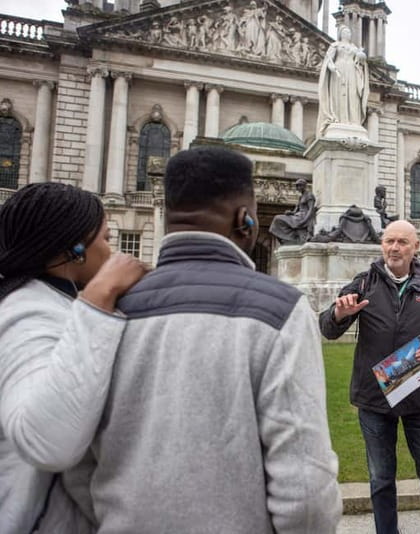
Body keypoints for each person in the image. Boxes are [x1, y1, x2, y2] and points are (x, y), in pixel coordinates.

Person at [66, 147, 341, 532]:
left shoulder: (103, 309)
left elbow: (73, 457)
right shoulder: (283, 309)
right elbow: (306, 489)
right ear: (245, 219)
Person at [0, 182, 147, 533]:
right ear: (76, 248)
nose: (113, 252)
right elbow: (47, 443)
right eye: (108, 239)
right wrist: (99, 296)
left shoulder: (39, 300)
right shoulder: (28, 312)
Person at [319, 219, 420, 534]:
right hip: (373, 399)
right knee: (381, 480)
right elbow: (328, 329)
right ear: (382, 245)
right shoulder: (362, 284)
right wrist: (338, 314)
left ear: (416, 248)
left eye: (401, 242)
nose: (394, 248)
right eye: (389, 241)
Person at [317, 25, 369, 137]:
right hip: (338, 71)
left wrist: (361, 56)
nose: (347, 34)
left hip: (352, 72)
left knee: (352, 96)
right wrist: (331, 67)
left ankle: (353, 120)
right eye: (345, 32)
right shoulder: (335, 45)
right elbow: (328, 60)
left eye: (349, 32)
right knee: (338, 95)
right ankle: (338, 118)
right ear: (340, 34)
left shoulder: (355, 48)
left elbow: (361, 60)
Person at [269, 178, 316, 244]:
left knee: (277, 218)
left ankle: (289, 238)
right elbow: (295, 211)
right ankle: (287, 239)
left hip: (302, 218)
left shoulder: (309, 195)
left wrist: (304, 221)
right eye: (297, 186)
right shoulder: (300, 197)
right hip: (296, 216)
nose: (298, 188)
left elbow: (311, 210)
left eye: (299, 185)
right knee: (277, 219)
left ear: (304, 186)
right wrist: (290, 212)